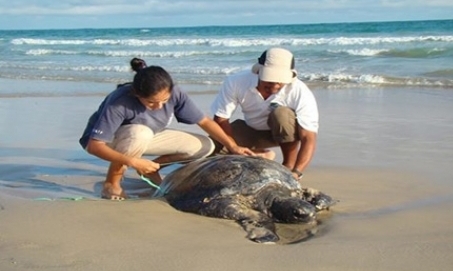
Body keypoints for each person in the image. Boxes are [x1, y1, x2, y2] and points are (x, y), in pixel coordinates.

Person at [79, 58, 254, 200]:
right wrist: (133, 162)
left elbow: (204, 121)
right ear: (137, 95)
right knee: (140, 133)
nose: (159, 106)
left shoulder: (175, 93)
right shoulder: (120, 101)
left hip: (147, 137)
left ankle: (152, 169)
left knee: (205, 146)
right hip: (112, 141)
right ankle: (112, 184)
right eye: (151, 102)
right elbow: (94, 145)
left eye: (164, 100)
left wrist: (233, 146)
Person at [210, 47, 319, 180]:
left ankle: (288, 164)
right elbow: (221, 118)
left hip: (285, 133)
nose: (274, 87)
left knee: (282, 114)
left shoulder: (299, 90)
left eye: (280, 82)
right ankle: (260, 155)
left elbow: (308, 136)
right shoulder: (236, 82)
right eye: (269, 80)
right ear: (258, 71)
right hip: (251, 129)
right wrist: (233, 147)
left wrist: (298, 172)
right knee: (210, 150)